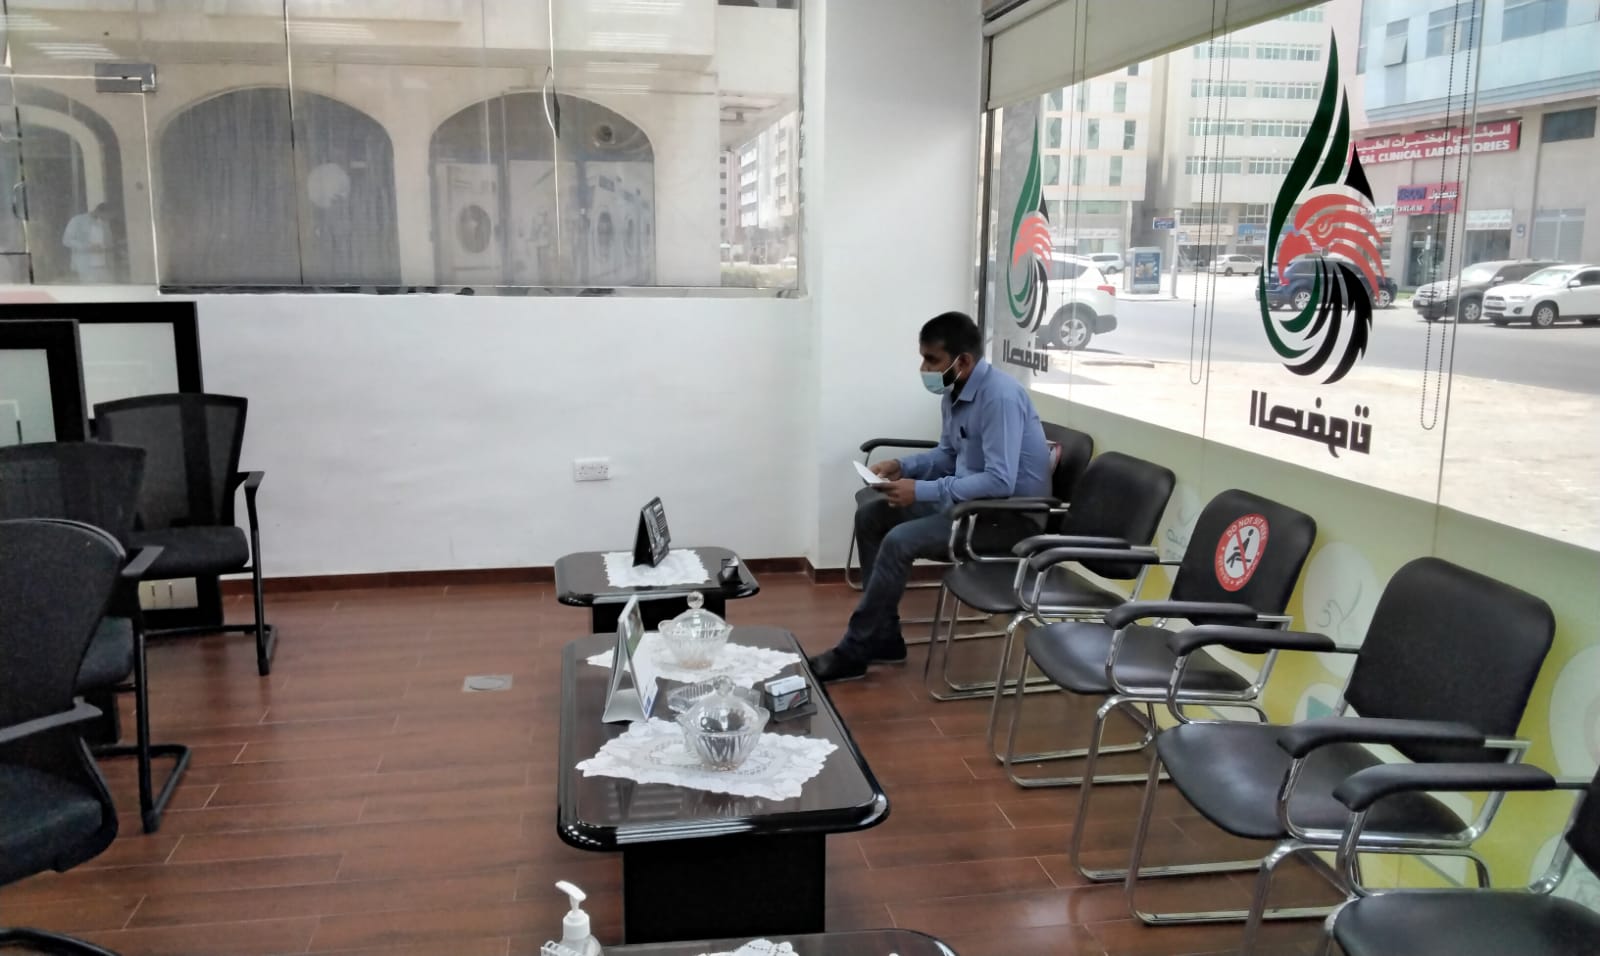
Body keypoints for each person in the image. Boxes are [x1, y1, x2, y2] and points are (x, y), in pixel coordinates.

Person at [808, 311, 1053, 683]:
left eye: (931, 360)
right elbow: (949, 455)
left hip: (1009, 519)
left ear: (963, 361)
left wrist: (920, 490)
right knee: (871, 517)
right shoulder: (954, 392)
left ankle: (854, 651)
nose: (924, 369)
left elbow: (1000, 481)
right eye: (923, 358)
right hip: (970, 508)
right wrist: (903, 466)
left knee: (899, 540)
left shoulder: (1000, 398)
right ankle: (884, 638)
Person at [62, 202, 114, 283]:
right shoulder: (77, 220)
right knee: (91, 289)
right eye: (107, 215)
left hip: (104, 267)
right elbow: (66, 240)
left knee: (109, 289)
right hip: (86, 267)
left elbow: (109, 242)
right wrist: (88, 247)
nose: (109, 218)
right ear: (99, 211)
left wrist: (106, 247)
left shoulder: (104, 224)